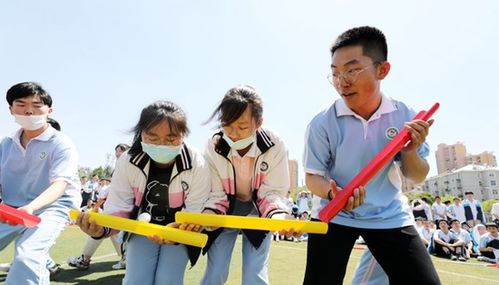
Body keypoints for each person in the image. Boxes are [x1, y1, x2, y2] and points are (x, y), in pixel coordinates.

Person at [302, 26, 440, 284]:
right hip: (335, 213)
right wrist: (335, 193)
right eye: (335, 73)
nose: (342, 81)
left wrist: (409, 151)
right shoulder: (322, 123)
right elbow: (313, 177)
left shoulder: (403, 114)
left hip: (388, 214)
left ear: (382, 70)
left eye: (352, 70)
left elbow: (417, 175)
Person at [74, 100, 218, 285]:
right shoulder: (128, 161)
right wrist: (102, 228)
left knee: (168, 280)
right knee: (136, 280)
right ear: (141, 133)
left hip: (179, 231)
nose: (161, 145)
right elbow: (119, 205)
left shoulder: (197, 162)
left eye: (171, 138)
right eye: (152, 138)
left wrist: (180, 231)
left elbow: (195, 208)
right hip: (141, 228)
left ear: (183, 135)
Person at [201, 85, 299, 285]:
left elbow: (273, 192)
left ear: (259, 123)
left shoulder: (274, 145)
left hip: (258, 210)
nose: (233, 134)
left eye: (242, 126)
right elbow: (216, 192)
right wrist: (209, 215)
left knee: (255, 272)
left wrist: (278, 216)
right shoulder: (214, 146)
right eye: (227, 125)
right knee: (215, 270)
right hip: (224, 209)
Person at [0, 82, 81, 284]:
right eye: (21, 104)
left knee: (27, 256)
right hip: (11, 208)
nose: (29, 110)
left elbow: (60, 185)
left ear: (49, 110)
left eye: (37, 105)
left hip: (53, 207)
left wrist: (32, 207)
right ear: (10, 109)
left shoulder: (61, 143)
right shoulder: (6, 143)